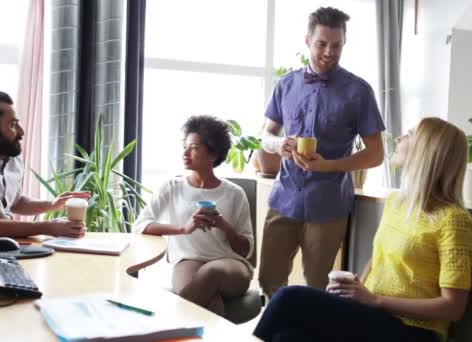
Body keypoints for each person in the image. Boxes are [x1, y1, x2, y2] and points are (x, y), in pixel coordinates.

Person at [253, 117, 472, 342]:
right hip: (375, 315)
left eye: (408, 134)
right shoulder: (397, 202)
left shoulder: (453, 221)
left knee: (289, 297)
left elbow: (452, 307)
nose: (398, 138)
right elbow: (378, 259)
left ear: (427, 151)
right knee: (287, 337)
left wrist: (375, 300)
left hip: (414, 331)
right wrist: (354, 288)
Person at [258, 7, 385, 297]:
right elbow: (265, 136)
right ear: (307, 41)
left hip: (328, 205)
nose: (329, 52)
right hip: (283, 198)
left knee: (316, 289)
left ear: (344, 43)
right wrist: (279, 144)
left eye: (336, 45)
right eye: (321, 44)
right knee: (268, 280)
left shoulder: (359, 91)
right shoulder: (286, 84)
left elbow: (376, 154)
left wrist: (328, 166)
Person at [133, 115, 254, 316]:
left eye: (194, 148)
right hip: (187, 262)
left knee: (211, 272)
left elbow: (245, 249)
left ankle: (161, 323)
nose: (185, 152)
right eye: (185, 146)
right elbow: (141, 225)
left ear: (213, 155)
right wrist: (183, 228)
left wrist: (223, 224)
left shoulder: (234, 193)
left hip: (230, 265)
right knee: (211, 302)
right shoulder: (172, 187)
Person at [0, 91, 90, 238]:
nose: (21, 131)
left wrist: (52, 204)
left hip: (2, 243)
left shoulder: (12, 158)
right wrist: (49, 227)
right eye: (13, 125)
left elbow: (16, 202)